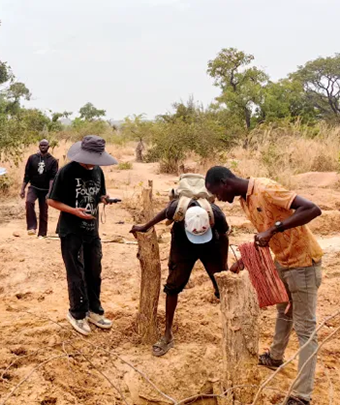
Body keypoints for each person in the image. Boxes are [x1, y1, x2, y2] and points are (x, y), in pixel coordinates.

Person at [205, 166, 323, 405]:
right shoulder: (245, 201)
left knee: (305, 329)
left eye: (217, 193)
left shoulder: (266, 189)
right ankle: (275, 357)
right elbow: (264, 235)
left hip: (303, 263)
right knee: (283, 312)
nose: (219, 199)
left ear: (225, 182)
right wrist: (243, 261)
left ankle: (302, 395)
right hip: (283, 261)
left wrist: (274, 229)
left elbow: (312, 209)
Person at [130, 201, 229, 357]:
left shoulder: (216, 214)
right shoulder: (177, 209)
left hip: (211, 245)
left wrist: (223, 265)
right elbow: (163, 214)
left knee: (223, 285)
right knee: (172, 286)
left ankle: (232, 328)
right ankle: (168, 334)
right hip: (183, 244)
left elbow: (224, 237)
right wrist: (145, 226)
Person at [47, 135, 118, 335]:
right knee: (76, 274)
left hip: (92, 231)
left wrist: (104, 199)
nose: (93, 163)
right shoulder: (66, 172)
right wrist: (74, 211)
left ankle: (94, 311)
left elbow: (99, 194)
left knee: (94, 272)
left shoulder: (98, 171)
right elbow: (51, 201)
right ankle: (77, 313)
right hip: (71, 231)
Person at [20, 140, 58, 238]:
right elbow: (27, 175)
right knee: (29, 202)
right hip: (34, 187)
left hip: (45, 189)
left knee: (43, 211)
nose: (43, 147)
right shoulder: (32, 158)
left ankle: (42, 233)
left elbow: (52, 178)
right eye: (41, 145)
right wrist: (22, 189)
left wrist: (50, 192)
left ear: (48, 147)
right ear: (39, 146)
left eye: (45, 145)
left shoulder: (53, 161)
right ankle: (31, 227)